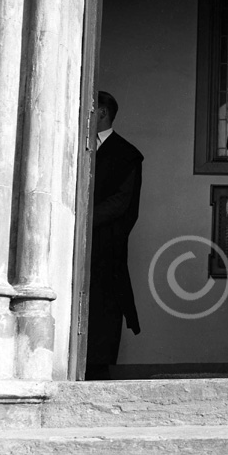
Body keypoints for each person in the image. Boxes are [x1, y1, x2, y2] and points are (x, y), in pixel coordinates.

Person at [86, 90, 143, 381]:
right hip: (78, 243)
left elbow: (122, 202)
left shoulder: (127, 154)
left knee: (105, 302)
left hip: (106, 242)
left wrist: (83, 221)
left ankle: (98, 367)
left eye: (90, 110)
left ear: (103, 113)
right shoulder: (78, 146)